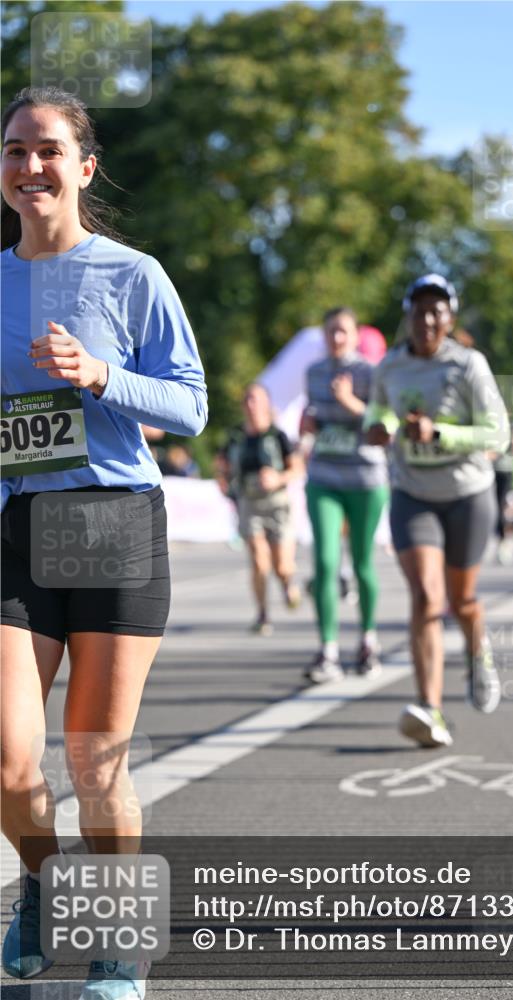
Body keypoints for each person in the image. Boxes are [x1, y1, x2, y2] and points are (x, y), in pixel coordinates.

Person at [1, 87, 207, 999]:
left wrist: (103, 374)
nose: (28, 166)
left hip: (113, 521)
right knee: (9, 760)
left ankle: (120, 936)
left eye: (47, 150)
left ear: (84, 168)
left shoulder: (132, 275)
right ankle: (46, 885)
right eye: (13, 150)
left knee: (92, 757)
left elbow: (190, 404)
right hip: (20, 524)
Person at [365, 274, 508, 747]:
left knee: (462, 600)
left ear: (450, 318)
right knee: (426, 599)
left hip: (468, 493)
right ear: (408, 315)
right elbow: (377, 411)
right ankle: (431, 709)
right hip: (413, 493)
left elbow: (497, 434)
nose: (427, 319)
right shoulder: (391, 366)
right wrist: (381, 428)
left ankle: (477, 648)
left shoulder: (468, 365)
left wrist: (441, 433)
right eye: (419, 309)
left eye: (437, 310)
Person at [302, 307, 388, 681]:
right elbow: (313, 421)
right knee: (324, 562)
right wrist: (307, 424)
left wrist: (351, 402)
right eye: (331, 331)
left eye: (343, 332)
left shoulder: (371, 373)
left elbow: (384, 424)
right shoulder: (314, 372)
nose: (337, 338)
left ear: (355, 336)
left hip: (366, 477)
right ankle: (328, 651)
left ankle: (368, 640)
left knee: (363, 562)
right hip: (324, 476)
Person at [218, 383, 302, 635]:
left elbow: (297, 468)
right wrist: (224, 484)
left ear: (266, 405)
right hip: (248, 501)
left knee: (282, 566)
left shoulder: (277, 436)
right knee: (258, 560)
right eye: (248, 400)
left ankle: (288, 583)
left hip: (277, 504)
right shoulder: (235, 436)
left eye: (256, 399)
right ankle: (263, 614)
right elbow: (220, 465)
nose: (251, 405)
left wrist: (277, 478)